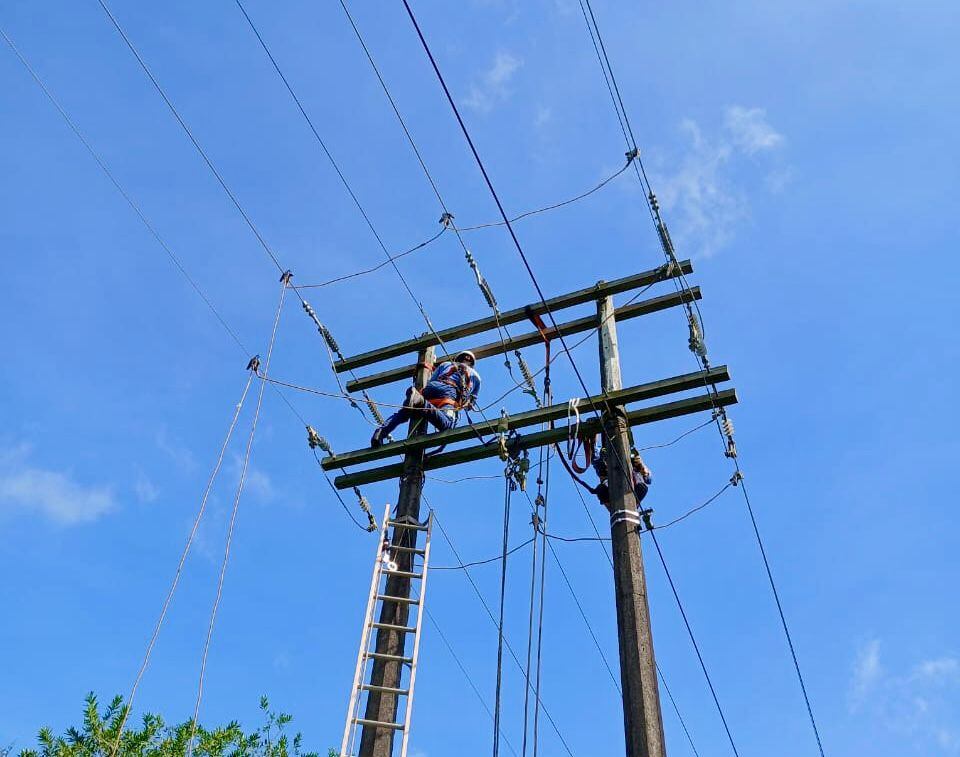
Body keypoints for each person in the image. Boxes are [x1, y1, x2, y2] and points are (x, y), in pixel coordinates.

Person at [370, 350, 481, 447]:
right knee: (447, 425)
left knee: (406, 412)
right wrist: (468, 404)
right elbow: (470, 404)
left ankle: (380, 433)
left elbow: (432, 380)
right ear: (472, 363)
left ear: (457, 358)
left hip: (432, 387)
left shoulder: (445, 364)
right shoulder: (476, 377)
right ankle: (421, 402)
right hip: (448, 394)